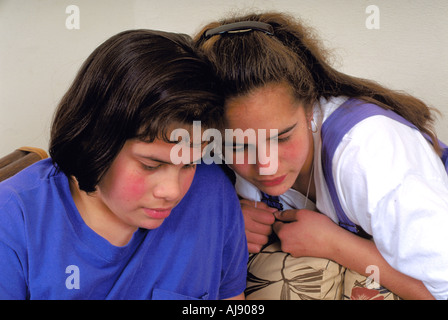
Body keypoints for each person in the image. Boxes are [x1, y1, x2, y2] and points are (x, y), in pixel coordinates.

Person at [194, 12, 448, 300]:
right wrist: (227, 220)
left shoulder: (368, 152)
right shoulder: (206, 153)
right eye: (239, 146)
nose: (266, 166)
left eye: (282, 137)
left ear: (309, 109)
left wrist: (337, 245)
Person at [0, 29, 248, 300]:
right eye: (150, 165)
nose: (172, 191)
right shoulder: (14, 220)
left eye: (189, 165)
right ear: (93, 141)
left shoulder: (212, 194)